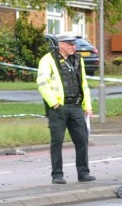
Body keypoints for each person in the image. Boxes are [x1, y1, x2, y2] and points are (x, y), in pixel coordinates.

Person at [36, 35, 92, 184]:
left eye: (74, 44)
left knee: (82, 139)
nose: (74, 47)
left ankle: (83, 173)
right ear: (60, 44)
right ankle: (57, 175)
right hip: (58, 108)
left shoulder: (77, 60)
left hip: (76, 106)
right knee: (57, 142)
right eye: (70, 44)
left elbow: (84, 83)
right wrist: (54, 104)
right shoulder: (48, 60)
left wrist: (87, 106)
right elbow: (42, 83)